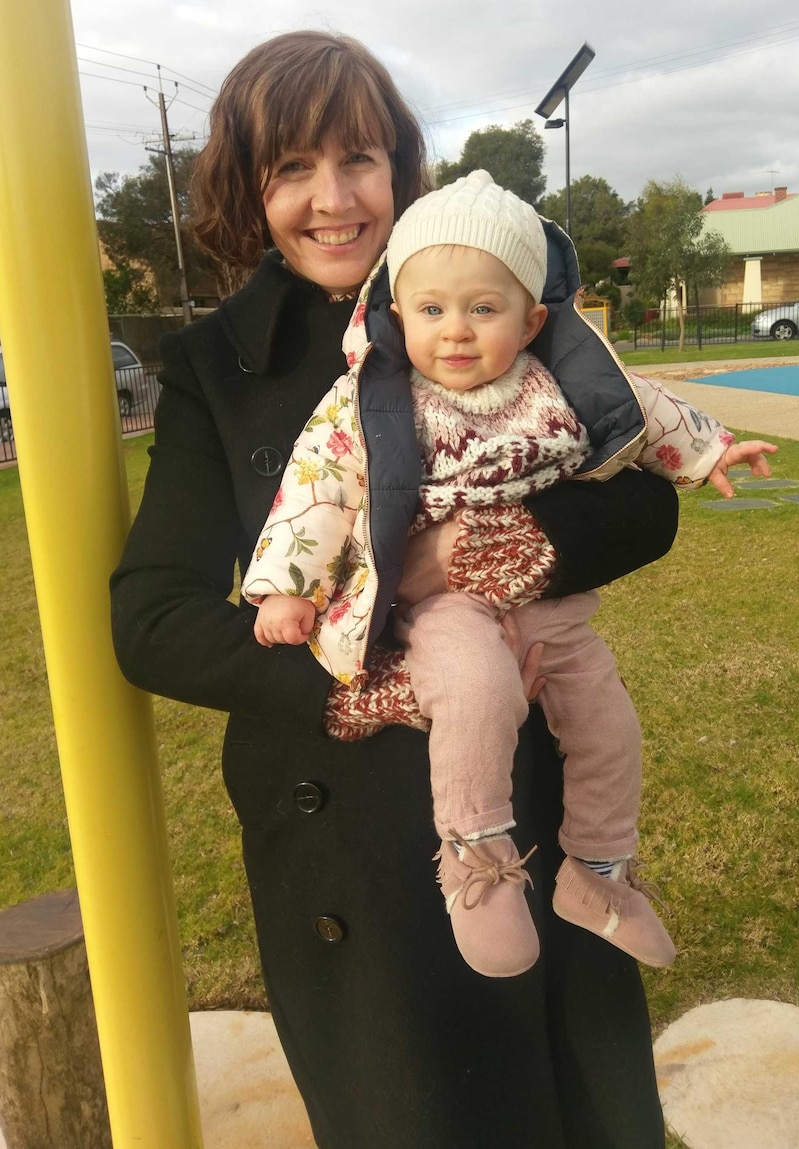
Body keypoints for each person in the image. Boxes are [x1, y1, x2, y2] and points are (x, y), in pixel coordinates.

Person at [111, 30, 687, 1149]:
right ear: (249, 187)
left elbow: (642, 503)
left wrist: (481, 555)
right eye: (291, 170)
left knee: (586, 1111)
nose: (333, 200)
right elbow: (155, 620)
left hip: (526, 787)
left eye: (359, 159)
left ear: (401, 168)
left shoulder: (491, 300)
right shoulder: (212, 369)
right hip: (346, 835)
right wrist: (355, 673)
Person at [241, 170, 776, 980]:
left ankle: (597, 873)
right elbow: (319, 487)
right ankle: (476, 860)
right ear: (396, 317)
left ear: (530, 321)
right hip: (443, 606)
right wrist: (285, 586)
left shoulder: (554, 386)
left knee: (608, 724)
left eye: (482, 309)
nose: (455, 332)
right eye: (431, 310)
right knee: (477, 691)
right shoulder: (371, 401)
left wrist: (708, 450)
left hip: (548, 603)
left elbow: (644, 408)